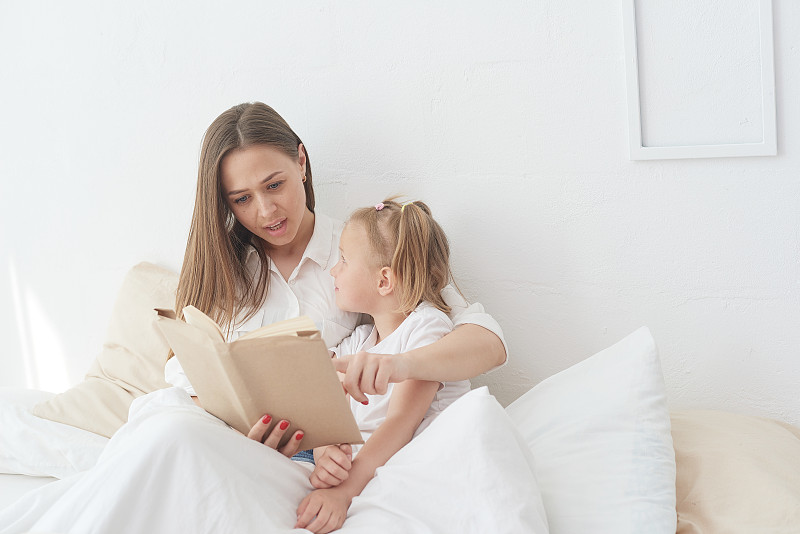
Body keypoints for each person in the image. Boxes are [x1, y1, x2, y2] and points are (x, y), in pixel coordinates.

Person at [0, 102, 506, 533]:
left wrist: (340, 424)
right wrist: (246, 423)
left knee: (171, 440)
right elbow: (187, 377)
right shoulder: (227, 267)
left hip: (304, 461)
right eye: (242, 199)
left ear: (301, 162)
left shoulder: (364, 249)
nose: (266, 211)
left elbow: (482, 341)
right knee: (167, 429)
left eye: (275, 184)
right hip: (237, 441)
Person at [295, 199, 471, 533]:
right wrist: (324, 452)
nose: (334, 270)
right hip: (369, 467)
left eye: (344, 261)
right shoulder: (360, 341)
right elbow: (330, 408)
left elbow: (401, 424)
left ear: (384, 281)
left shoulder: (426, 328)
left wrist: (344, 492)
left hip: (411, 464)